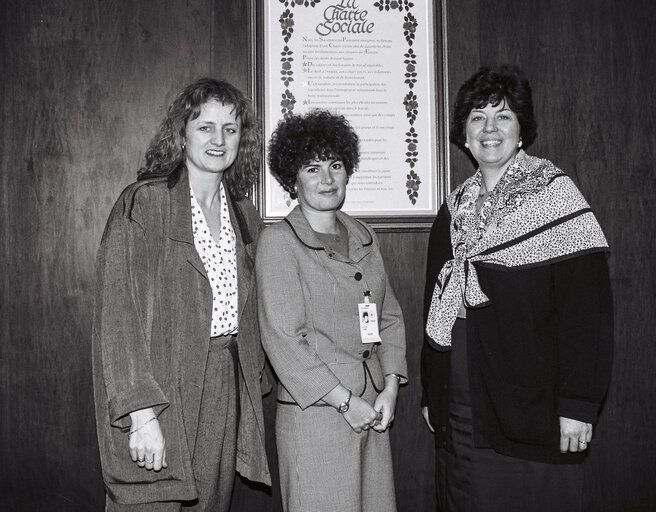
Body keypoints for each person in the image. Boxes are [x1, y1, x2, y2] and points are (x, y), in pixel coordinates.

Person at [421, 65, 613, 511]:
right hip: (463, 407)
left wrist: (579, 403)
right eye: (477, 117)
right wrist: (433, 394)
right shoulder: (453, 210)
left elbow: (588, 312)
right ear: (463, 136)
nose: (490, 128)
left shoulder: (556, 198)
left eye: (502, 116)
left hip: (533, 407)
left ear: (521, 128)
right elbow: (434, 304)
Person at [91, 78, 270, 511]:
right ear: (182, 133)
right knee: (151, 501)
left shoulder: (246, 216)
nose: (218, 139)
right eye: (205, 126)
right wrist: (141, 413)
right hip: (162, 388)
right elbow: (118, 317)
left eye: (230, 128)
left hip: (222, 382)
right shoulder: (144, 205)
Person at [256, 110, 407, 512]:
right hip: (318, 417)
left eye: (336, 165)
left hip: (373, 410)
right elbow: (283, 339)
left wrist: (390, 387)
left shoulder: (363, 235)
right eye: (312, 168)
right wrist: (344, 401)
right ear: (293, 178)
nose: (327, 179)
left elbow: (388, 316)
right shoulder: (279, 243)